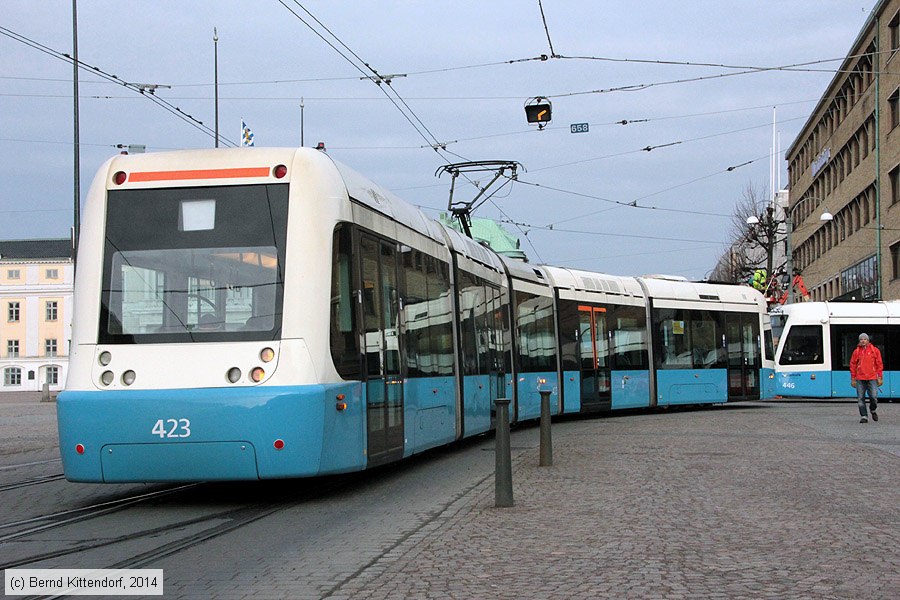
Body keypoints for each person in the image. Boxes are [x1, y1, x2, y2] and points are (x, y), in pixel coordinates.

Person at [849, 333, 883, 423]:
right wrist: (853, 378)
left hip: (872, 378)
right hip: (860, 378)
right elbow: (852, 365)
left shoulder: (875, 350)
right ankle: (864, 416)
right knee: (860, 398)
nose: (863, 341)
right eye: (861, 339)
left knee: (874, 396)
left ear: (868, 341)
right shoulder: (856, 352)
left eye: (864, 339)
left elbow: (879, 364)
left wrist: (880, 377)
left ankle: (873, 409)